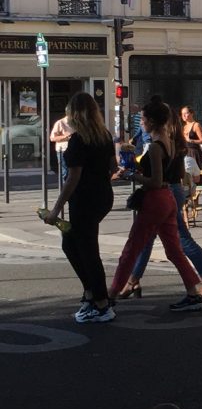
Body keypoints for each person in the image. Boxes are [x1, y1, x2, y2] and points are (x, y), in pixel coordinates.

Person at [108, 97, 202, 311]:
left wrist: (131, 176)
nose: (141, 122)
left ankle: (111, 294)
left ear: (152, 121)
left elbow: (155, 181)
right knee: (173, 250)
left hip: (155, 200)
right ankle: (193, 292)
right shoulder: (171, 142)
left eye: (143, 119)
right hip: (168, 199)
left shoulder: (155, 147)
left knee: (132, 248)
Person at [44, 93, 116, 323]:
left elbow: (72, 178)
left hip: (84, 199)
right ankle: (90, 294)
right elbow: (113, 167)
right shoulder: (104, 136)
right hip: (102, 195)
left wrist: (56, 208)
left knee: (86, 250)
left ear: (73, 113)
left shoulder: (78, 140)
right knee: (73, 243)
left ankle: (101, 303)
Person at [49, 113, 74, 183]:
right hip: (63, 150)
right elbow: (52, 138)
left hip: (74, 150)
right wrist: (66, 137)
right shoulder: (60, 123)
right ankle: (65, 190)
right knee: (65, 173)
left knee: (74, 172)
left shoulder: (78, 123)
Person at [180, 105, 202, 170]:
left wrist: (190, 140)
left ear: (192, 113)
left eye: (186, 113)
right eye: (182, 114)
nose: (184, 115)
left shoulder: (196, 125)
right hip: (186, 153)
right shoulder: (183, 127)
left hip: (194, 153)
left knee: (197, 174)